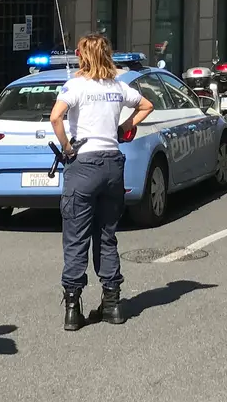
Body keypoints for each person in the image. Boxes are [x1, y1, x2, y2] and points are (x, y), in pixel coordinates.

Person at [49, 33, 154, 331]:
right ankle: (113, 304)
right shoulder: (119, 86)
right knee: (106, 235)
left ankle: (72, 307)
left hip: (83, 165)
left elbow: (56, 117)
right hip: (111, 165)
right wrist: (124, 127)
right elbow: (147, 105)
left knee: (76, 236)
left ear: (83, 56)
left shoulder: (75, 85)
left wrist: (67, 147)